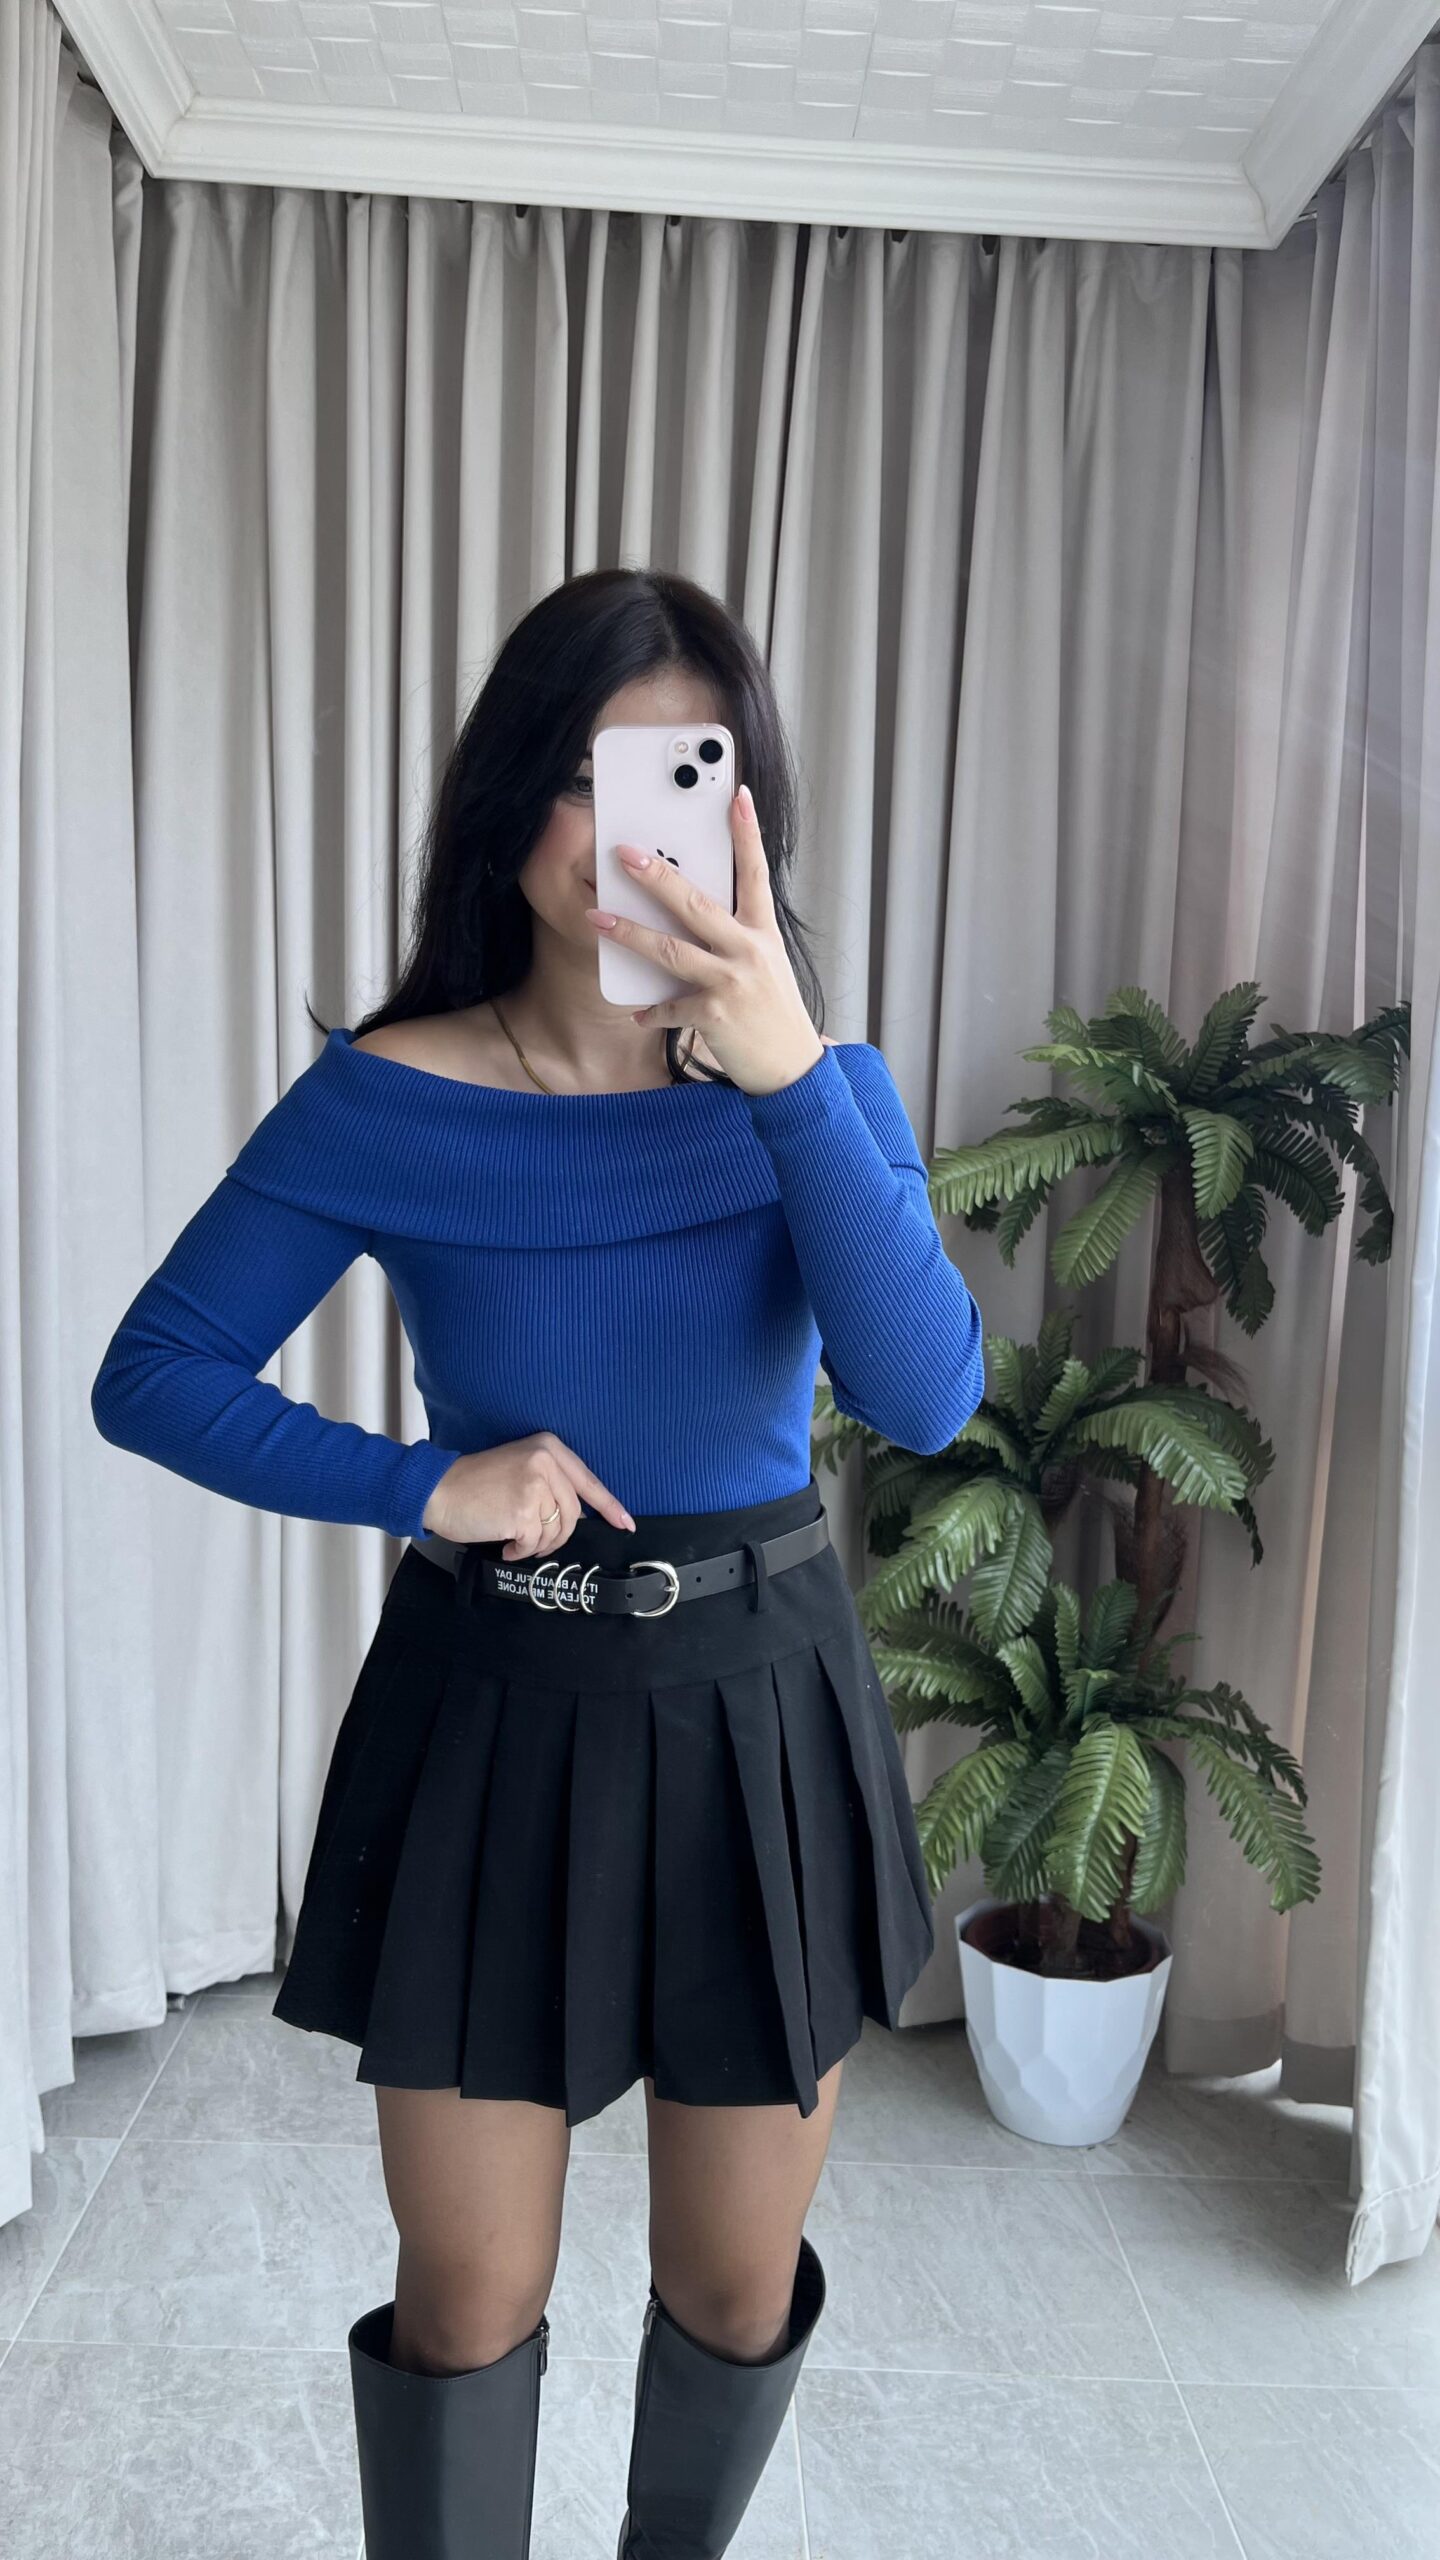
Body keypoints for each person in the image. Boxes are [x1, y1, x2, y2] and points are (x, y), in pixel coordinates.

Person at [90, 566, 986, 2559]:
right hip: (489, 1715)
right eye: (585, 777)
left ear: (743, 811)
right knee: (466, 2302)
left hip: (762, 1722)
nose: (625, 828)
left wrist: (786, 1073)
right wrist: (426, 1483)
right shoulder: (389, 1092)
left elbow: (925, 1394)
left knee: (734, 2291)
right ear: (511, 803)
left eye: (682, 774)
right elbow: (152, 1374)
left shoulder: (819, 1088)